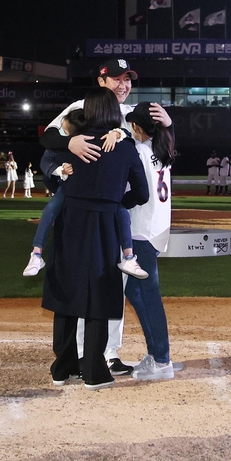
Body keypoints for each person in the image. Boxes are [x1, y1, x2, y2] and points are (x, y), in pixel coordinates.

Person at [50, 58, 173, 375]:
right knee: (87, 283)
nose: (124, 84)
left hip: (117, 218)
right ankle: (80, 352)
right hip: (87, 212)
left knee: (111, 288)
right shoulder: (83, 105)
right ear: (101, 81)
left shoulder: (128, 115)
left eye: (128, 79)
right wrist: (69, 140)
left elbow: (151, 151)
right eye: (117, 79)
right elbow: (48, 139)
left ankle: (108, 353)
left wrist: (166, 126)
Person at [41, 89, 150, 390]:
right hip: (105, 223)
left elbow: (50, 176)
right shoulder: (125, 147)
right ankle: (93, 370)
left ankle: (62, 368)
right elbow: (142, 193)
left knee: (66, 289)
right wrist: (116, 204)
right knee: (99, 294)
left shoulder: (74, 143)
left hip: (70, 221)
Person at [24, 109, 148, 281]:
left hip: (84, 200)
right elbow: (46, 164)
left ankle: (128, 257)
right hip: (81, 195)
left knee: (120, 214)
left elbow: (47, 170)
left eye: (64, 125)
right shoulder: (65, 144)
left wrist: (116, 133)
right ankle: (36, 254)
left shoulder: (80, 141)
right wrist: (60, 171)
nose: (61, 127)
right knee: (51, 211)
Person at [123, 102, 179, 380]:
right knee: (134, 291)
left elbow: (139, 194)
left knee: (148, 295)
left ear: (137, 127)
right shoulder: (162, 148)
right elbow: (168, 137)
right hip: (155, 230)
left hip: (142, 231)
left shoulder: (138, 150)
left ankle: (162, 360)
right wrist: (168, 126)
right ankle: (156, 352)